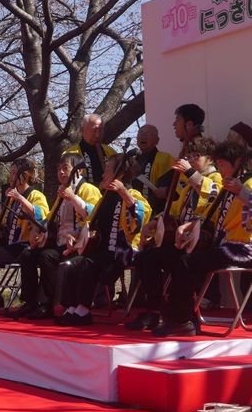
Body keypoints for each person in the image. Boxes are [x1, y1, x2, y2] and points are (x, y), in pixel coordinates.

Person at [150, 132, 252, 337]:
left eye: (223, 165)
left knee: (186, 263)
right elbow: (208, 216)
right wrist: (189, 226)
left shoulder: (246, 183)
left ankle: (182, 319)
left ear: (237, 163)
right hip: (224, 244)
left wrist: (242, 192)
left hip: (243, 247)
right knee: (176, 260)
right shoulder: (227, 185)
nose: (221, 170)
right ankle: (177, 315)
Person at [56, 153, 151, 326]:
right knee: (73, 263)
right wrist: (76, 235)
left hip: (122, 250)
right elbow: (91, 220)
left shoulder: (132, 193)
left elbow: (139, 217)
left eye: (107, 170)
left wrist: (123, 192)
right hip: (102, 250)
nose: (103, 174)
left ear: (120, 174)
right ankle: (71, 308)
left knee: (88, 263)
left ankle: (84, 311)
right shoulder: (106, 196)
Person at [13, 154, 101, 319]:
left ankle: (46, 305)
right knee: (27, 255)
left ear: (79, 170)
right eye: (59, 169)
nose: (60, 172)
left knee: (48, 256)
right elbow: (50, 218)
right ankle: (30, 302)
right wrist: (37, 230)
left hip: (79, 244)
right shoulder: (63, 190)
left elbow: (95, 215)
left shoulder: (88, 189)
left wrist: (73, 198)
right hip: (60, 242)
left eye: (65, 168)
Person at [0, 159, 49, 309]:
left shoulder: (36, 195)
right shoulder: (12, 199)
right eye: (11, 173)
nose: (11, 177)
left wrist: (20, 198)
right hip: (12, 244)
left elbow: (41, 216)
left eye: (14, 173)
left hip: (25, 244)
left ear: (25, 175)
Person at [63, 114, 117, 185]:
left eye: (100, 130)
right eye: (94, 130)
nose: (97, 135)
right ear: (82, 130)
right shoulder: (70, 154)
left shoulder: (110, 152)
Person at [133, 124, 174, 215]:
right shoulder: (132, 161)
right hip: (135, 211)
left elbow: (167, 186)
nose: (143, 137)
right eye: (140, 134)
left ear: (157, 140)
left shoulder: (165, 158)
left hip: (156, 212)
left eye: (147, 134)